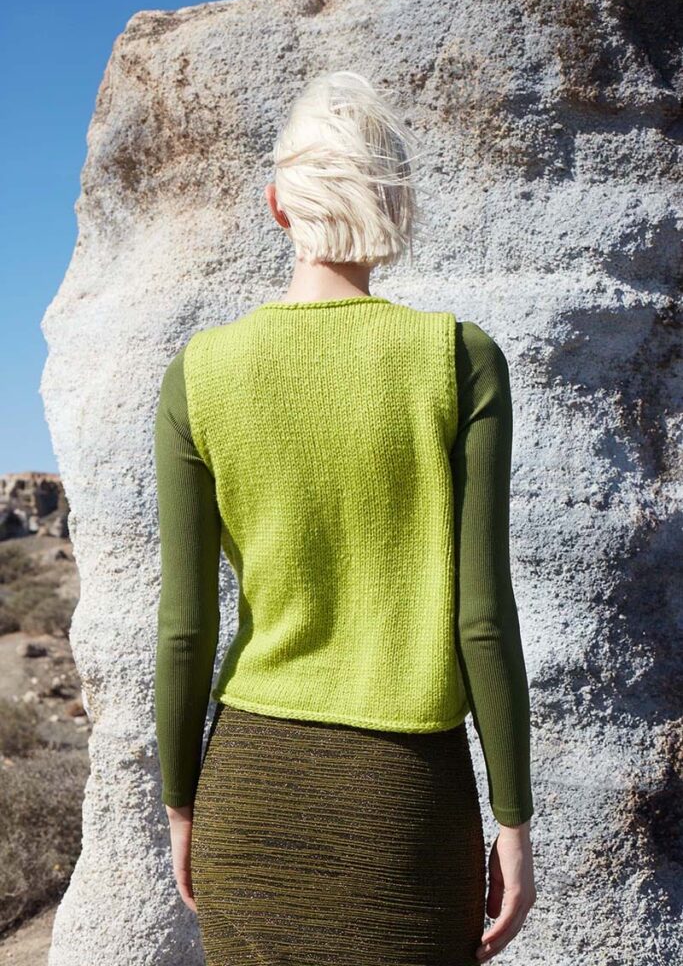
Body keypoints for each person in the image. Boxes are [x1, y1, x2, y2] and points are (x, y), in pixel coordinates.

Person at [154, 69, 536, 966]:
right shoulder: (458, 359)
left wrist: (180, 805)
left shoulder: (200, 372)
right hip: (402, 803)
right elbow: (481, 621)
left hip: (247, 792)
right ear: (393, 207)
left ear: (277, 205)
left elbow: (184, 629)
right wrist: (513, 819)